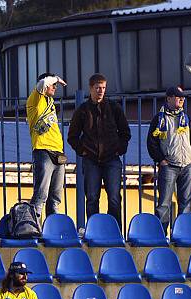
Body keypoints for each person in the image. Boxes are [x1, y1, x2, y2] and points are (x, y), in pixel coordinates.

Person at [67, 73, 131, 229]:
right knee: (92, 198)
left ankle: (114, 231)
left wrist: (119, 149)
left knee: (115, 198)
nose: (101, 91)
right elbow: (72, 136)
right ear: (91, 89)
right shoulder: (82, 110)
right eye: (98, 88)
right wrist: (83, 151)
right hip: (91, 160)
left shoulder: (114, 108)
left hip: (112, 159)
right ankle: (94, 230)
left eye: (103, 88)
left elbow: (125, 133)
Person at [147, 86, 191, 234]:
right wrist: (161, 160)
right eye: (178, 96)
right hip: (169, 165)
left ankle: (182, 234)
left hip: (187, 164)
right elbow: (151, 142)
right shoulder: (159, 118)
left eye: (182, 96)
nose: (182, 99)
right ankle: (162, 234)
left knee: (186, 202)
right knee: (164, 203)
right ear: (169, 98)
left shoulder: (186, 118)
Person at [26, 73, 67, 218]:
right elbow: (42, 84)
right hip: (43, 150)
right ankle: (33, 227)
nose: (55, 87)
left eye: (56, 85)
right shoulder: (35, 99)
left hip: (58, 152)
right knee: (40, 195)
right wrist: (56, 78)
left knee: (55, 198)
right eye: (53, 84)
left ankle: (53, 230)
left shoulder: (50, 103)